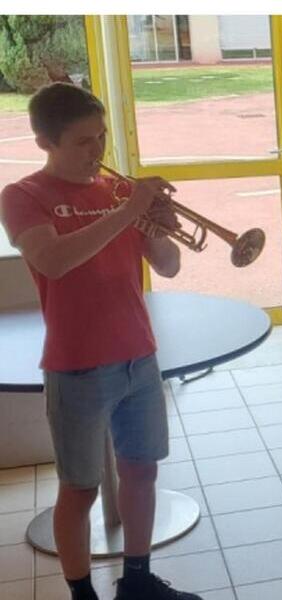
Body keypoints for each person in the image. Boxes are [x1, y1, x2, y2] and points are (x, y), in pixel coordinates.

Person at [0, 83, 199, 600]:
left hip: (139, 354)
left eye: (102, 137)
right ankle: (82, 593)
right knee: (81, 487)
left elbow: (169, 266)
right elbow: (53, 262)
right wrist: (130, 211)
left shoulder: (116, 193)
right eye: (83, 142)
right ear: (45, 141)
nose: (98, 152)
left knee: (141, 472)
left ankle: (137, 581)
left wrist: (158, 226)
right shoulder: (23, 196)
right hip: (77, 364)